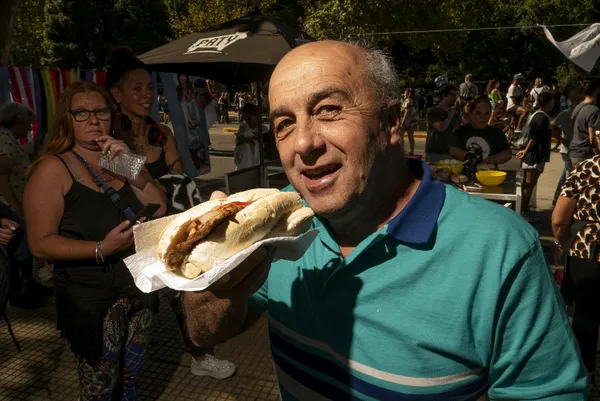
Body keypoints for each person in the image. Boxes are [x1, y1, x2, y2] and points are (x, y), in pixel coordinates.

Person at [182, 40, 588, 400]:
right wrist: (212, 276)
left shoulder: (500, 249)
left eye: (328, 110)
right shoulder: (274, 221)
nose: (303, 143)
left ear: (392, 122)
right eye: (284, 124)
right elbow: (205, 333)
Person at [23, 80, 167, 400]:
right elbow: (40, 243)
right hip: (91, 300)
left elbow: (161, 203)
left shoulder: (115, 157)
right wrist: (102, 248)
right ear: (67, 119)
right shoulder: (53, 169)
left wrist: (131, 161)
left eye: (100, 111)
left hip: (138, 289)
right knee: (100, 388)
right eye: (81, 112)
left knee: (130, 380)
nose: (93, 119)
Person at [105, 48, 202, 215]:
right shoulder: (109, 141)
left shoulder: (162, 134)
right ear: (116, 94)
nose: (148, 95)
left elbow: (180, 184)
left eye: (150, 88)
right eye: (137, 89)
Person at [552, 132, 600, 388]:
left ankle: (586, 376)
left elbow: (560, 219)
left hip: (588, 253)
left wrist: (560, 244)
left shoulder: (589, 168)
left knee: (585, 317)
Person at [516, 92, 555, 223]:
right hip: (534, 155)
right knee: (529, 185)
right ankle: (523, 212)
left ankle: (523, 210)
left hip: (531, 154)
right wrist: (526, 151)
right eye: (552, 101)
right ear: (549, 102)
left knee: (527, 184)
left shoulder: (535, 114)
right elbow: (535, 137)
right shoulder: (542, 117)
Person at [448, 96, 512, 167]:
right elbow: (452, 150)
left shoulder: (496, 132)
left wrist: (494, 158)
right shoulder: (460, 131)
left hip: (489, 174)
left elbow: (507, 153)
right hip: (464, 174)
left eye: (486, 113)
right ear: (471, 114)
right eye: (478, 113)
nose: (483, 117)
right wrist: (466, 155)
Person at [0, 102, 35, 217]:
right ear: (18, 121)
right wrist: (16, 208)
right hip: (10, 209)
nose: (30, 128)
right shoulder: (4, 140)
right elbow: (2, 179)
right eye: (28, 123)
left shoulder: (9, 140)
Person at [552, 90, 583, 206]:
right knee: (568, 175)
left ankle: (558, 198)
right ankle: (560, 199)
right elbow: (554, 126)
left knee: (567, 174)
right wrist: (562, 140)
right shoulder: (567, 113)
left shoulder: (580, 112)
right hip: (567, 150)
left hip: (575, 149)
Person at [568, 78, 600, 168]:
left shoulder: (578, 107)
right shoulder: (594, 110)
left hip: (574, 152)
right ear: (596, 90)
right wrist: (598, 157)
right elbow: (592, 138)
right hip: (585, 155)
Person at [425, 83, 460, 162]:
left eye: (456, 95)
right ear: (444, 96)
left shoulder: (455, 112)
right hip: (435, 153)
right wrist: (450, 115)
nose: (455, 98)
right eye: (453, 95)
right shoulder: (433, 111)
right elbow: (440, 128)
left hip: (450, 153)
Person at [400, 88, 418, 156]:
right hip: (413, 122)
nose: (404, 94)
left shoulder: (407, 101)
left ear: (407, 94)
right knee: (411, 137)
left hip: (406, 121)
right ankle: (412, 151)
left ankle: (402, 151)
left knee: (401, 136)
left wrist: (402, 122)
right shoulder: (415, 101)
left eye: (405, 93)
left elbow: (406, 112)